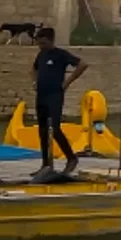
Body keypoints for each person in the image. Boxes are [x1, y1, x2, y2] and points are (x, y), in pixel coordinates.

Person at [31, 27, 86, 177]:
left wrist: (67, 82)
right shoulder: (41, 54)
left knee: (54, 128)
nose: (41, 46)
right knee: (42, 130)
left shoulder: (61, 54)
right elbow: (34, 68)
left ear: (51, 40)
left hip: (54, 95)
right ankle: (46, 165)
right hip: (41, 95)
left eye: (43, 43)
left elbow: (82, 64)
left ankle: (71, 158)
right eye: (39, 44)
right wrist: (34, 82)